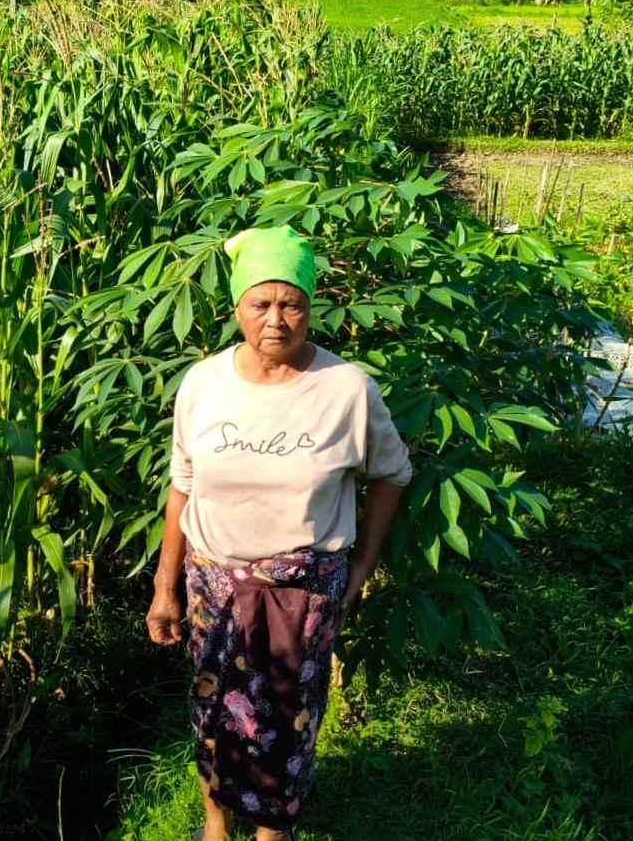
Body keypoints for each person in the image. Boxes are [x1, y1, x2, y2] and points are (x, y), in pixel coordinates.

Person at [144, 227, 412, 841]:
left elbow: (392, 475)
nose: (276, 319)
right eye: (259, 303)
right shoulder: (203, 385)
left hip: (303, 588)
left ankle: (273, 829)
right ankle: (217, 822)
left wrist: (363, 567)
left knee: (288, 718)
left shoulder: (347, 389)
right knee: (213, 711)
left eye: (291, 303)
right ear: (235, 307)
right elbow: (181, 485)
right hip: (213, 583)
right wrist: (166, 586)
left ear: (310, 308)